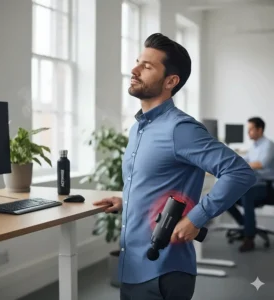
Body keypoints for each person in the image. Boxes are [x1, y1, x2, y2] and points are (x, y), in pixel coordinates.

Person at [93, 33, 256, 300]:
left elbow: (239, 172)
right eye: (137, 62)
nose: (134, 70)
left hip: (163, 271)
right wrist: (127, 199)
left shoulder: (180, 128)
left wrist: (196, 218)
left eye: (147, 66)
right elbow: (159, 182)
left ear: (171, 81)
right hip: (132, 266)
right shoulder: (138, 128)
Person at [227, 117, 274, 252]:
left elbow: (260, 164)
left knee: (247, 194)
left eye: (251, 129)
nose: (248, 133)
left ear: (259, 130)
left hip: (267, 187)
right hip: (254, 185)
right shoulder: (253, 146)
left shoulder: (268, 145)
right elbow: (243, 160)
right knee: (226, 196)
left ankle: (249, 238)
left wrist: (242, 165)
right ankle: (247, 226)